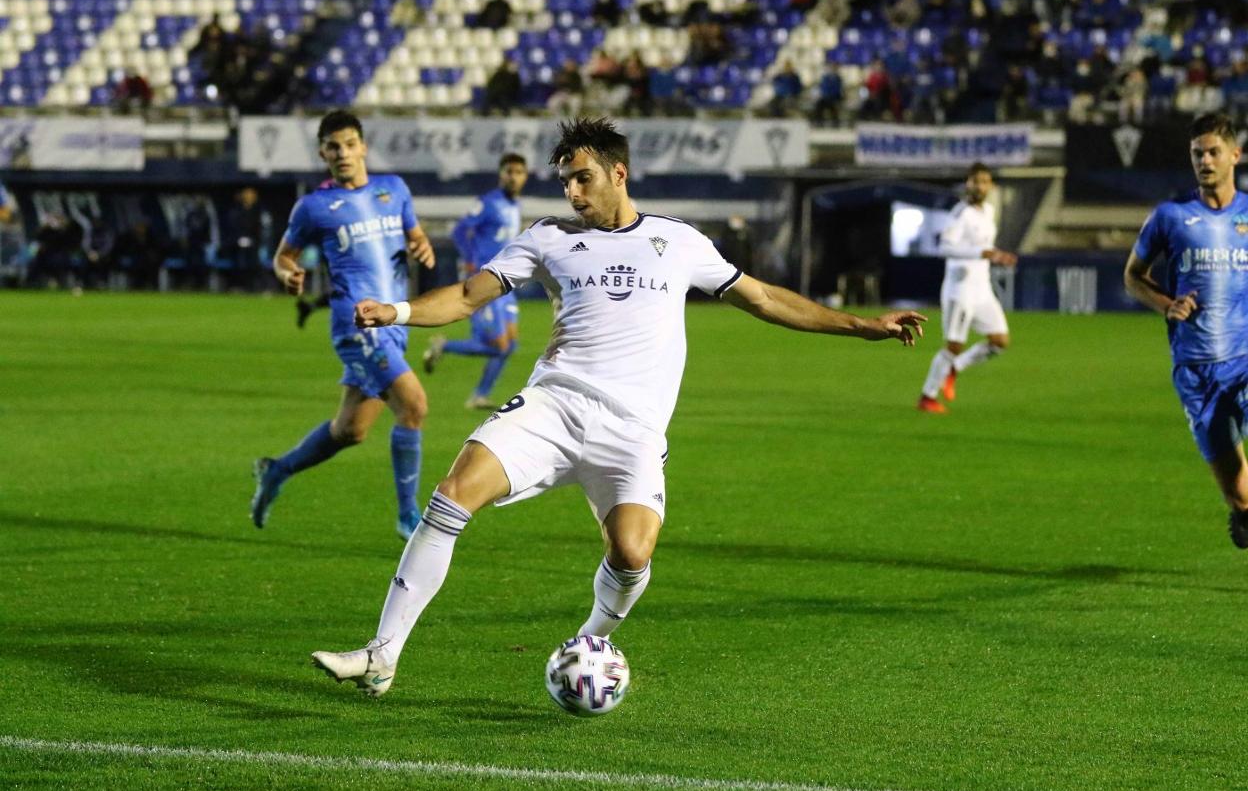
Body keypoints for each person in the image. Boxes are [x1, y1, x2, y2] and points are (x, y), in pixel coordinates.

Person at [310, 117, 926, 696]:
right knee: (452, 494)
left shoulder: (678, 241)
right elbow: (470, 296)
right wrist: (401, 311)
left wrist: (861, 326)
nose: (574, 193)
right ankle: (382, 653)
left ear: (618, 174)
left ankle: (592, 642)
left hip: (631, 428)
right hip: (553, 405)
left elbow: (763, 298)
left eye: (584, 179)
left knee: (631, 553)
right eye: (566, 182)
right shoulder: (547, 238)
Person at [252, 110, 436, 541]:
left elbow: (414, 235)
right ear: (323, 153)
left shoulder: (394, 190)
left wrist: (422, 246)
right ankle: (409, 517)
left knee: (350, 430)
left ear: (363, 147)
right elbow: (283, 255)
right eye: (333, 147)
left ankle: (277, 470)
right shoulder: (314, 206)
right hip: (356, 325)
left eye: (350, 144)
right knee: (414, 406)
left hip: (393, 323)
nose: (343, 153)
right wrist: (287, 274)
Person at [1124, 113, 1248, 548]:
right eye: (1198, 153)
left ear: (1236, 155)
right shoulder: (1171, 216)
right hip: (1195, 370)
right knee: (1239, 493)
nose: (1205, 160)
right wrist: (1166, 303)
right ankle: (1243, 513)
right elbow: (1133, 275)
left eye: (1214, 152)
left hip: (1245, 360)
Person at [423, 153, 529, 410]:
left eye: (518, 172)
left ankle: (480, 395)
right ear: (501, 174)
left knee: (510, 343)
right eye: (508, 171)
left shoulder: (514, 206)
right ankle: (444, 345)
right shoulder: (488, 202)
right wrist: (471, 261)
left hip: (507, 281)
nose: (513, 177)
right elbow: (459, 230)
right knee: (499, 345)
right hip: (485, 279)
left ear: (524, 177)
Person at [917, 162, 1016, 414]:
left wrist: (994, 255)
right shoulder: (960, 213)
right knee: (953, 345)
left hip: (982, 289)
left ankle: (955, 368)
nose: (979, 186)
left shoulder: (989, 211)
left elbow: (985, 247)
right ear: (967, 183)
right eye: (975, 181)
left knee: (999, 341)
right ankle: (928, 396)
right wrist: (980, 252)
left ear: (990, 185)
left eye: (984, 181)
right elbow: (944, 247)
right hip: (959, 290)